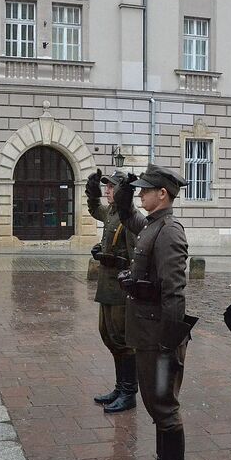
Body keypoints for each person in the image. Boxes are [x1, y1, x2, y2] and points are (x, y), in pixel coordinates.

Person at [114, 164, 192, 460]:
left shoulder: (169, 230)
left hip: (160, 334)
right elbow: (123, 212)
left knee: (163, 402)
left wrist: (168, 342)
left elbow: (175, 291)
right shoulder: (151, 225)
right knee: (152, 398)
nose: (141, 194)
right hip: (148, 331)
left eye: (146, 189)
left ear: (163, 194)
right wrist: (126, 188)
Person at [86, 168, 138, 413]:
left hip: (120, 286)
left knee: (123, 339)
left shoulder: (128, 217)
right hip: (106, 283)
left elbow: (135, 257)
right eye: (105, 187)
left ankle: (129, 392)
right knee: (107, 334)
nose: (107, 190)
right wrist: (92, 193)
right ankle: (119, 387)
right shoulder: (112, 212)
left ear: (122, 191)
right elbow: (96, 210)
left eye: (111, 187)